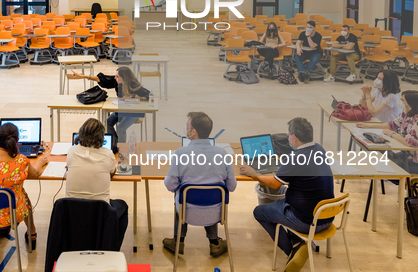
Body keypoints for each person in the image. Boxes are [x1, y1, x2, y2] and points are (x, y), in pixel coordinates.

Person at [240, 118, 334, 272]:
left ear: (294, 137)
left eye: (288, 134)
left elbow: (274, 183)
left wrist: (254, 173)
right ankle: (297, 241)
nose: (288, 137)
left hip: (307, 221)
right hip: (327, 217)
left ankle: (292, 249)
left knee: (260, 212)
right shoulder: (319, 149)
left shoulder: (296, 158)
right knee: (282, 202)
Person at [163, 112, 237, 257]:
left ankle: (179, 241)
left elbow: (170, 185)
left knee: (180, 192)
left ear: (193, 132)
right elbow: (232, 186)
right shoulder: (222, 154)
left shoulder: (181, 153)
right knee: (210, 190)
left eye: (187, 126)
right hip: (216, 214)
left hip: (187, 213)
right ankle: (214, 243)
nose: (185, 128)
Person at [0, 122, 48, 247]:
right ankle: (32, 232)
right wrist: (40, 162)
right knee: (22, 195)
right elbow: (35, 174)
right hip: (12, 213)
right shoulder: (20, 160)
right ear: (17, 141)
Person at [66, 118, 128, 248]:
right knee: (123, 206)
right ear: (101, 137)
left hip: (73, 212)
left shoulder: (71, 151)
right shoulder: (108, 154)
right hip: (100, 213)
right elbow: (112, 172)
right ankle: (112, 247)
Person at [70, 67, 150, 145]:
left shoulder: (133, 85)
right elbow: (101, 79)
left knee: (120, 128)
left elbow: (149, 95)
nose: (115, 78)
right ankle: (115, 143)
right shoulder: (116, 82)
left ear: (125, 78)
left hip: (134, 112)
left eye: (117, 76)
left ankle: (121, 149)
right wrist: (83, 76)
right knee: (107, 122)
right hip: (123, 110)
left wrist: (133, 96)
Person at [357, 90, 418, 173]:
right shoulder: (406, 113)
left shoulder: (416, 119)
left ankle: (402, 183)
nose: (400, 100)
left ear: (411, 104)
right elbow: (392, 125)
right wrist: (368, 126)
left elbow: (409, 143)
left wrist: (391, 133)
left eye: (403, 100)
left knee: (389, 169)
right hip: (408, 153)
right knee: (381, 161)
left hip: (415, 159)